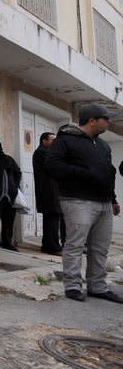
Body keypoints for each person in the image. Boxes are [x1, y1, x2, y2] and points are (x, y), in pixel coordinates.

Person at [45, 104, 123, 303]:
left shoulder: (103, 145)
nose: (109, 122)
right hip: (77, 200)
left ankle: (97, 286)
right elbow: (53, 166)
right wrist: (85, 174)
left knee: (100, 247)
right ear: (92, 120)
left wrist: (113, 199)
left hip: (104, 203)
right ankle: (72, 286)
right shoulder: (65, 139)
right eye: (106, 118)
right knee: (75, 245)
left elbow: (107, 173)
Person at [33, 132, 63, 255]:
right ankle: (53, 247)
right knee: (52, 220)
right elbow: (54, 167)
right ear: (44, 141)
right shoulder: (42, 152)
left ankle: (47, 245)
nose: (55, 142)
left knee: (52, 219)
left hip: (52, 191)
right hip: (48, 191)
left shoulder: (48, 152)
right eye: (52, 139)